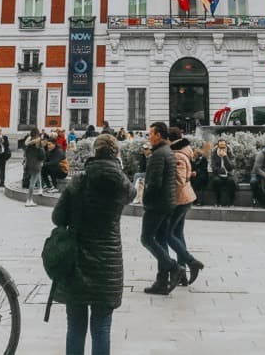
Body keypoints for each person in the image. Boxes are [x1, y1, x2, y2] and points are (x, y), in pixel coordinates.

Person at [51, 133, 135, 355]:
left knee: (76, 327)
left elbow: (58, 218)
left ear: (94, 152)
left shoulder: (79, 182)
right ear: (116, 153)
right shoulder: (122, 184)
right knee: (102, 326)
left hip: (77, 260)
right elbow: (132, 194)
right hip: (108, 264)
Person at [140, 121, 185, 294]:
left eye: (150, 133)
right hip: (168, 202)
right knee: (160, 240)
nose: (149, 136)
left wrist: (146, 200)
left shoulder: (158, 154)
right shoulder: (168, 151)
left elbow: (154, 183)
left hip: (157, 204)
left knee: (147, 238)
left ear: (159, 134)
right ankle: (162, 281)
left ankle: (174, 268)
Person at [166, 129, 204, 284]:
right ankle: (182, 275)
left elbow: (179, 180)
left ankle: (191, 262)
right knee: (178, 234)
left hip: (179, 199)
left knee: (167, 234)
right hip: (186, 197)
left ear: (170, 139)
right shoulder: (185, 151)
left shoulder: (177, 155)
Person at [210, 139, 236, 207]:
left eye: (223, 146)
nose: (222, 148)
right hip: (218, 175)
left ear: (226, 146)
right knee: (216, 181)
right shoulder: (214, 154)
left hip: (229, 175)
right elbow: (214, 168)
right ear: (218, 146)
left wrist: (225, 156)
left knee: (231, 181)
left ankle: (231, 202)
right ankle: (218, 201)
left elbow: (230, 167)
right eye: (220, 146)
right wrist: (223, 170)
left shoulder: (230, 153)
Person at [24, 128, 46, 207]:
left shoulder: (28, 144)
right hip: (36, 163)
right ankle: (29, 200)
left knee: (36, 177)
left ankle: (40, 189)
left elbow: (26, 151)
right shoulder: (38, 142)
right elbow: (42, 154)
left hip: (30, 163)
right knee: (32, 182)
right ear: (37, 134)